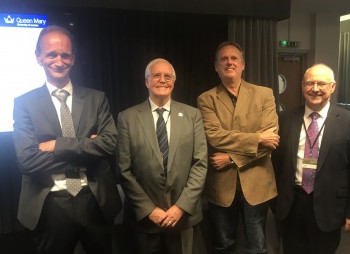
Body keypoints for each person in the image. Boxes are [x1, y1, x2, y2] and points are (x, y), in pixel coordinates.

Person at [12, 25, 122, 253]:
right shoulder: (24, 104)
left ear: (73, 58)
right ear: (39, 57)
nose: (59, 61)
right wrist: (88, 146)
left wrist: (56, 145)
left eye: (65, 55)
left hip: (95, 199)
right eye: (51, 54)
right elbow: (27, 161)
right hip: (49, 203)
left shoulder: (96, 98)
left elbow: (109, 144)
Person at [117, 58, 208, 254]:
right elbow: (124, 170)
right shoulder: (127, 118)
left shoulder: (193, 115)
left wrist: (180, 207)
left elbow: (200, 164)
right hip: (144, 220)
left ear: (173, 82)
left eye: (168, 76)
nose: (162, 80)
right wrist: (149, 210)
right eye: (156, 75)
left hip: (183, 218)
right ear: (146, 81)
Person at [197, 41, 280, 254]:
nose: (229, 62)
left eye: (234, 58)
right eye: (223, 59)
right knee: (224, 244)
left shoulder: (264, 94)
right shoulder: (206, 99)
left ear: (243, 65)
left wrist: (232, 158)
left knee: (257, 246)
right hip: (221, 186)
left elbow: (269, 142)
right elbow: (215, 137)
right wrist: (257, 137)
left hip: (257, 184)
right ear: (216, 66)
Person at [272, 63, 350, 254]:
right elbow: (276, 163)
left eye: (321, 84)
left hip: (330, 206)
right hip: (291, 204)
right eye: (310, 83)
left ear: (332, 87)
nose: (315, 89)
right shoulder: (284, 119)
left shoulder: (347, 121)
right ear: (302, 86)